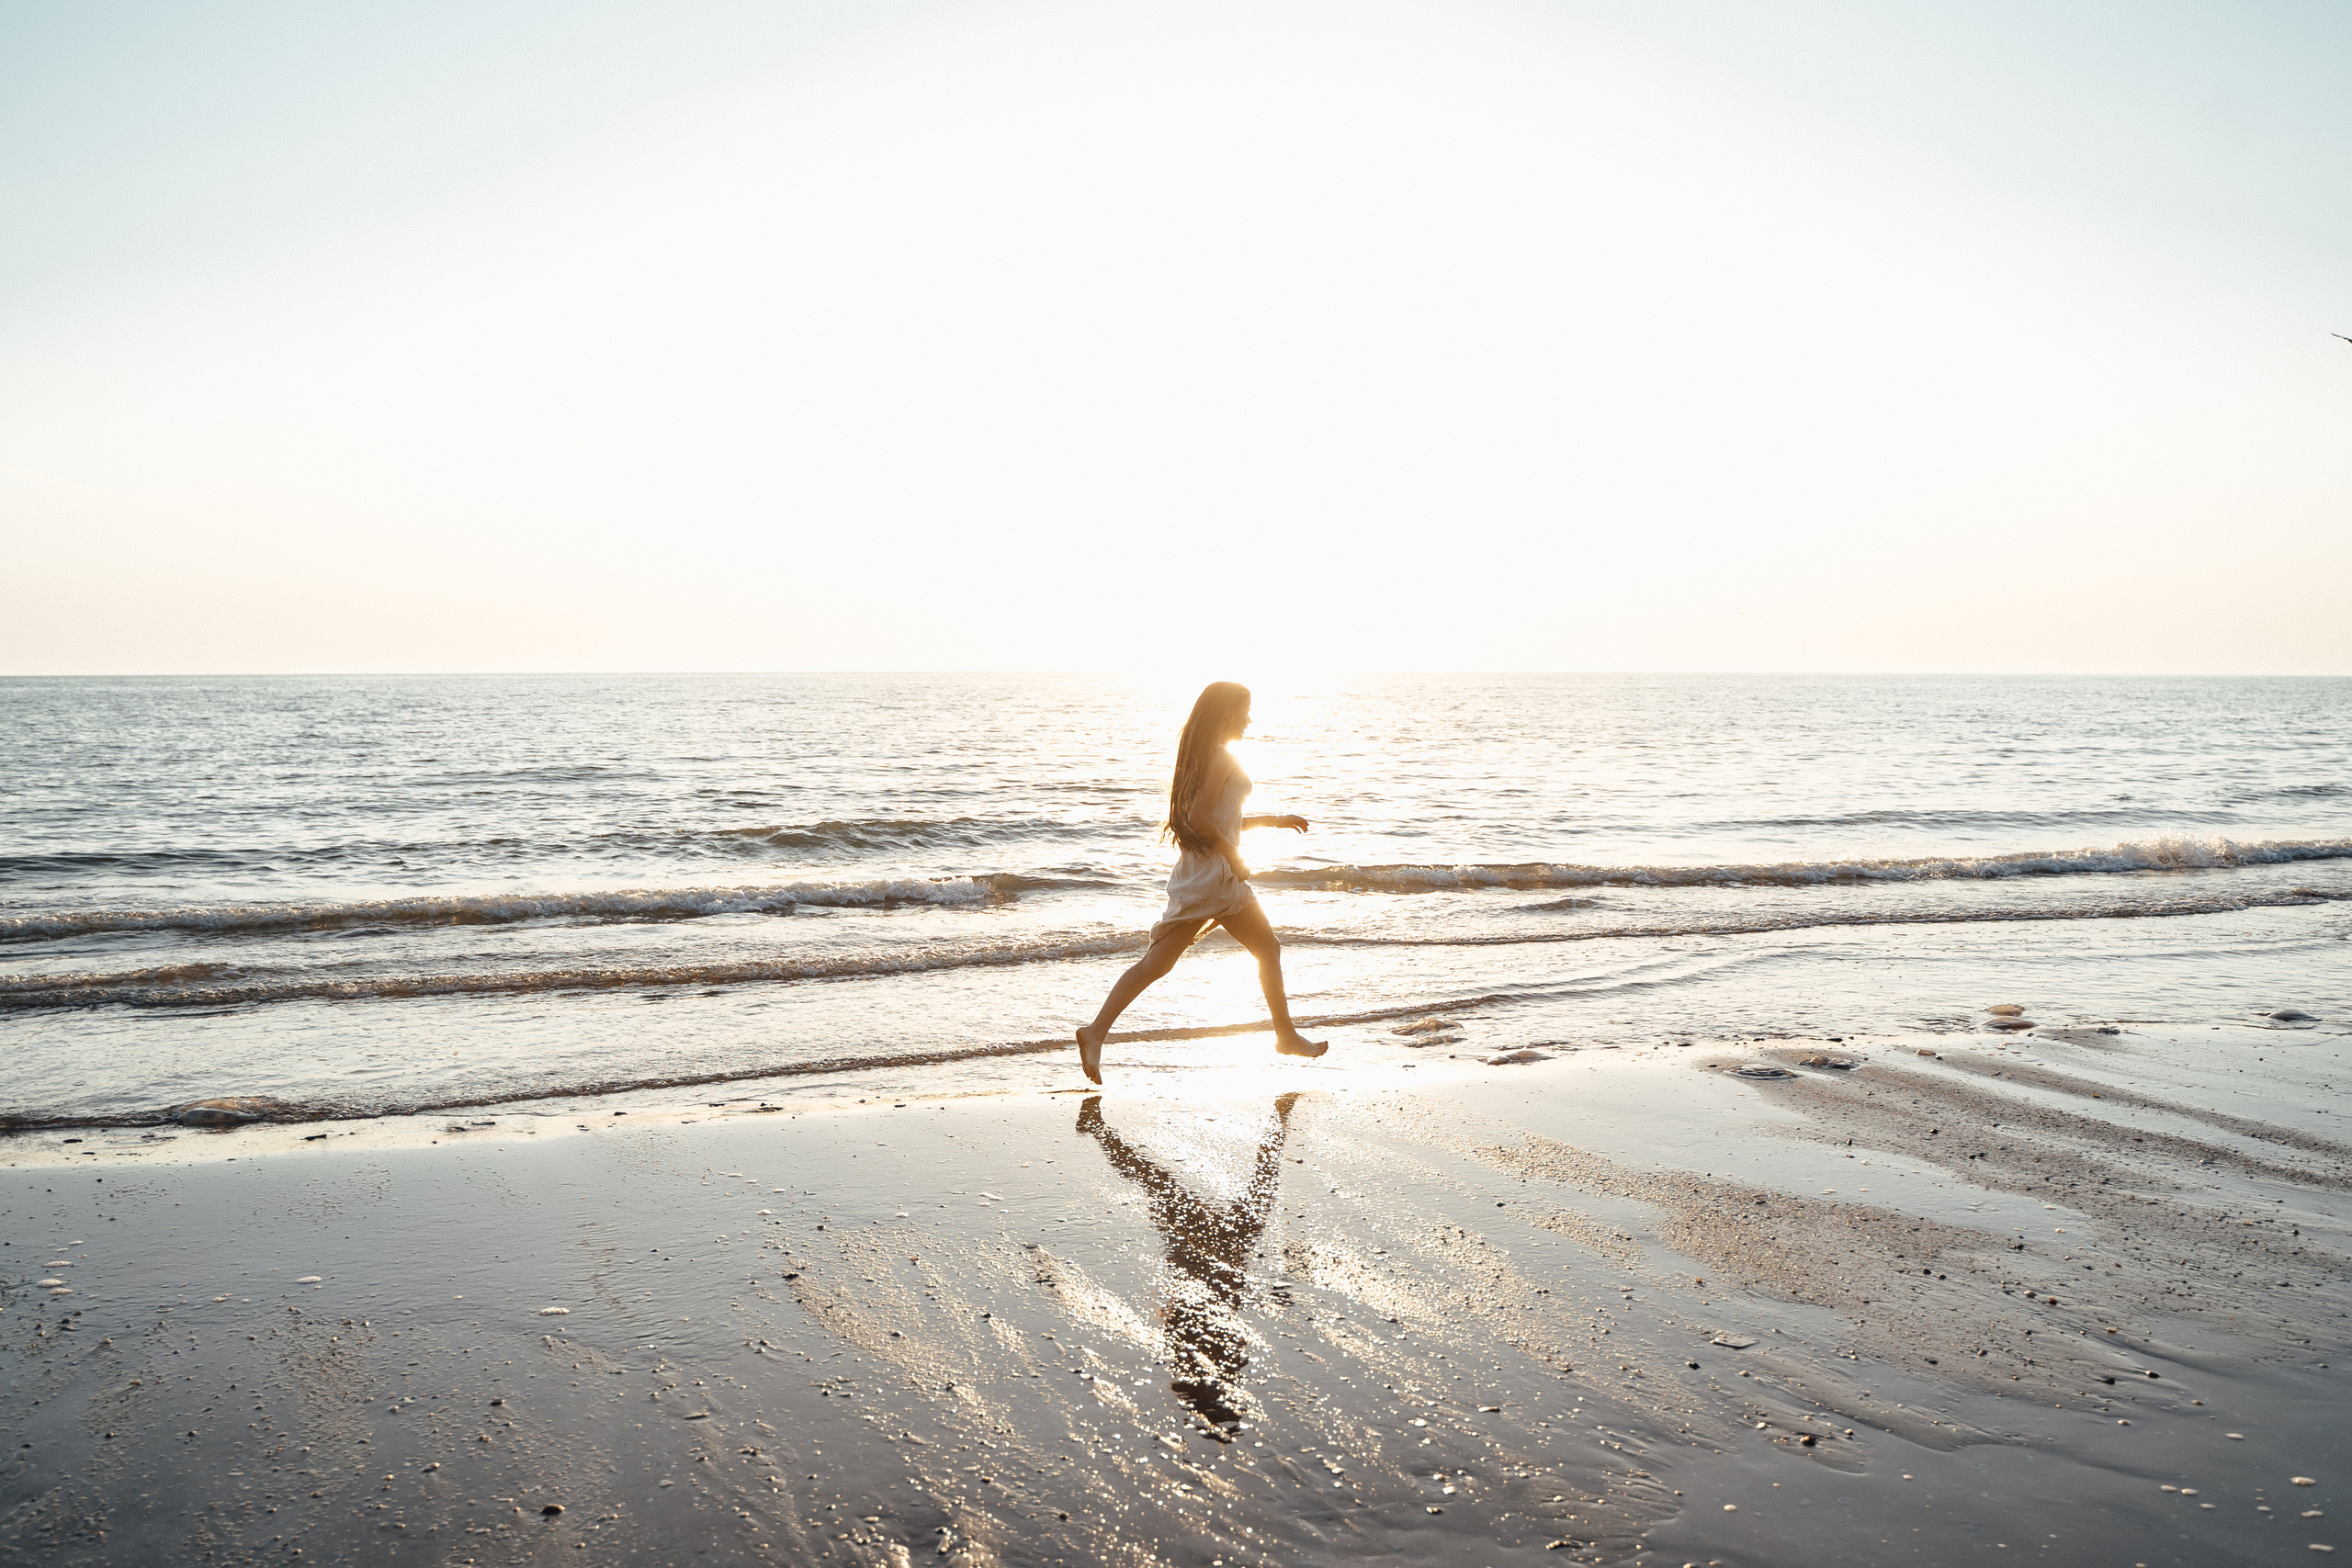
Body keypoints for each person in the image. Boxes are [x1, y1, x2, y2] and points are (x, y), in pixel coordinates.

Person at [1074, 682, 1329, 1084]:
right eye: (1245, 711)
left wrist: (1274, 820)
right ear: (1227, 713)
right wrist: (1234, 855)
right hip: (1215, 878)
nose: (1249, 719)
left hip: (1204, 875)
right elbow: (1198, 818)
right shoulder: (1221, 757)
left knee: (1166, 962)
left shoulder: (1208, 756)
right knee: (1235, 953)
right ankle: (1284, 1035)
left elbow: (1218, 819)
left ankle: (1096, 1032)